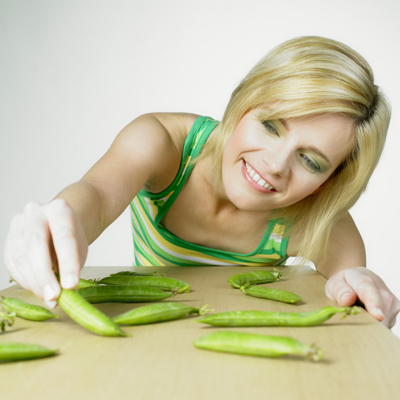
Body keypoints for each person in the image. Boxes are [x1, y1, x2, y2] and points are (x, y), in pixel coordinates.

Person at [4, 36, 400, 328]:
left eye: (311, 160)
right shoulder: (164, 142)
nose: (276, 165)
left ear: (330, 181)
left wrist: (359, 283)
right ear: (242, 101)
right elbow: (96, 196)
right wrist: (63, 219)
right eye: (270, 126)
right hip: (147, 337)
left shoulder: (317, 218)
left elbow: (350, 297)